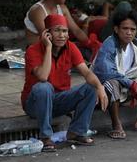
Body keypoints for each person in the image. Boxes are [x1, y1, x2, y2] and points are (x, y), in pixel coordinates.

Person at [21, 14, 108, 151]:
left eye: (65, 31)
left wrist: (99, 87)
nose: (62, 35)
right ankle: (45, 137)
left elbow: (86, 72)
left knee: (90, 88)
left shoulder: (71, 47)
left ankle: (76, 132)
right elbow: (43, 76)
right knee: (44, 87)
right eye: (57, 30)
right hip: (35, 104)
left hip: (59, 100)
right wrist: (48, 48)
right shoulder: (33, 50)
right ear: (47, 33)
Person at [91, 9, 137, 139]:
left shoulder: (136, 44)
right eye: (125, 28)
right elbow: (107, 73)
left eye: (133, 29)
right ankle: (116, 125)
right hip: (103, 94)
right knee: (112, 83)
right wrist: (131, 84)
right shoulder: (109, 45)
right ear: (116, 29)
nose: (129, 32)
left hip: (127, 88)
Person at [24, 0, 100, 61]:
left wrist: (89, 43)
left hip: (57, 46)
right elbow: (48, 37)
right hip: (40, 49)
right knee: (81, 53)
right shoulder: (38, 11)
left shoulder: (62, 8)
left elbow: (76, 30)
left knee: (91, 51)